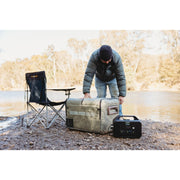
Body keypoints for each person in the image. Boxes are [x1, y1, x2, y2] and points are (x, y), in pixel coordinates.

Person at [83, 45, 126, 115]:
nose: (107, 62)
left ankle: (119, 117)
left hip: (113, 78)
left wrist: (122, 95)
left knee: (116, 98)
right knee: (100, 98)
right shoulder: (94, 57)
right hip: (99, 78)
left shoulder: (116, 57)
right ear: (100, 57)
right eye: (104, 61)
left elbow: (121, 76)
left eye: (109, 60)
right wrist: (86, 92)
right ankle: (101, 117)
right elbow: (89, 74)